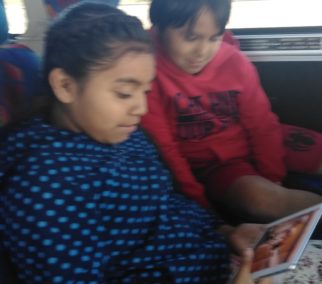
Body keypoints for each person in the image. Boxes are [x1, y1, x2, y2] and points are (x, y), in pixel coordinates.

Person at [0, 3, 268, 283]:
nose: (141, 108)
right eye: (125, 93)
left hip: (214, 256)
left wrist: (226, 232)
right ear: (66, 86)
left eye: (146, 90)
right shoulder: (46, 188)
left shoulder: (120, 135)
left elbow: (164, 203)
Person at [140, 0, 322, 244]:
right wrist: (202, 209)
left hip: (253, 137)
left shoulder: (233, 61)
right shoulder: (148, 71)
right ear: (159, 28)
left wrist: (273, 176)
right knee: (262, 199)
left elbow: (261, 124)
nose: (202, 51)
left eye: (214, 37)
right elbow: (168, 151)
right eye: (191, 37)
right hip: (215, 164)